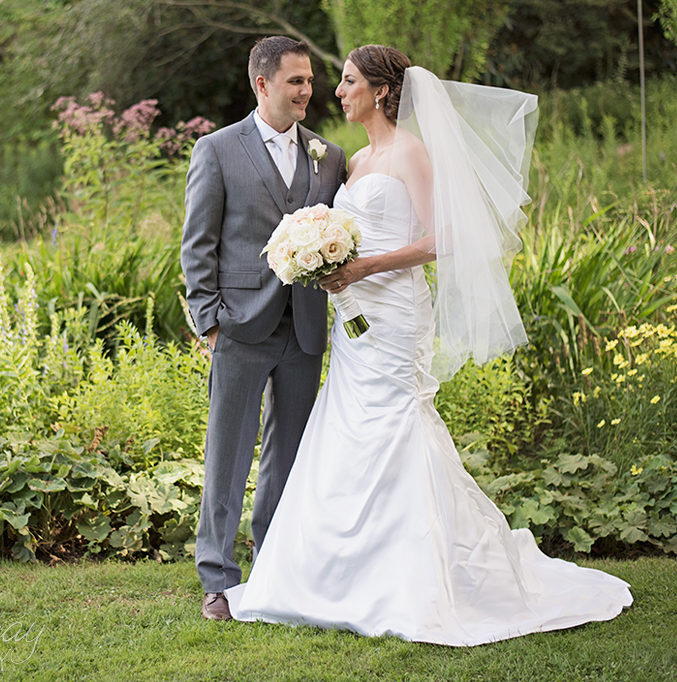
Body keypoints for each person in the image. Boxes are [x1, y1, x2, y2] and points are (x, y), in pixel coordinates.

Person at [223, 45, 633, 645]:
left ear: (381, 91)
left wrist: (366, 267)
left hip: (396, 314)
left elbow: (443, 238)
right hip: (356, 320)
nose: (338, 91)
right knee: (349, 425)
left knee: (398, 423)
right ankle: (333, 576)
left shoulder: (411, 152)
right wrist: (323, 261)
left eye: (349, 81)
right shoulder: (354, 160)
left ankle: (417, 577)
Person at [181, 36, 348, 621]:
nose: (307, 91)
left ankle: (273, 571)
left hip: (304, 330)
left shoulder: (329, 156)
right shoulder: (217, 150)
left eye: (310, 81)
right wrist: (210, 323)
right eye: (296, 81)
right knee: (227, 456)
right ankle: (218, 579)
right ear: (262, 84)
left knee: (289, 457)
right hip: (239, 328)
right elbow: (197, 245)